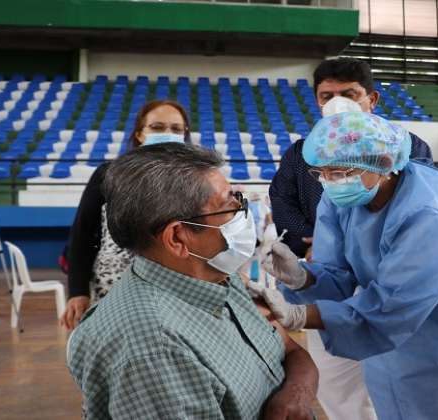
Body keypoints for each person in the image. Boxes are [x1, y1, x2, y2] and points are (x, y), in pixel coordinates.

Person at [253, 112, 438, 419]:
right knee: (402, 399)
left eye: (340, 171)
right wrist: (301, 277)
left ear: (385, 164)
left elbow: (393, 308)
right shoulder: (342, 197)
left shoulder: (435, 214)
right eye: (321, 173)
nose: (330, 181)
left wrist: (299, 315)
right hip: (404, 327)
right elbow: (339, 274)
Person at [67, 143, 318, 419]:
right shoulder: (155, 350)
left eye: (238, 197)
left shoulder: (219, 276)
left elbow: (294, 353)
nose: (242, 210)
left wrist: (294, 397)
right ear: (177, 238)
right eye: (229, 204)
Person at [268, 57, 432, 420]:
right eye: (327, 96)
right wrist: (308, 247)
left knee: (397, 371)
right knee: (337, 377)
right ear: (316, 101)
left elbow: (411, 210)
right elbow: (282, 200)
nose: (336, 103)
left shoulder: (407, 146)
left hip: (394, 273)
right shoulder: (302, 153)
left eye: (349, 94)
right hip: (325, 272)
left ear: (371, 100)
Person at [60, 99, 191, 330]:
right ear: (140, 134)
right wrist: (77, 291)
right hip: (113, 287)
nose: (168, 133)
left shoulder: (196, 179)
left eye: (176, 129)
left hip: (178, 288)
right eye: (157, 127)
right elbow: (83, 233)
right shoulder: (109, 174)